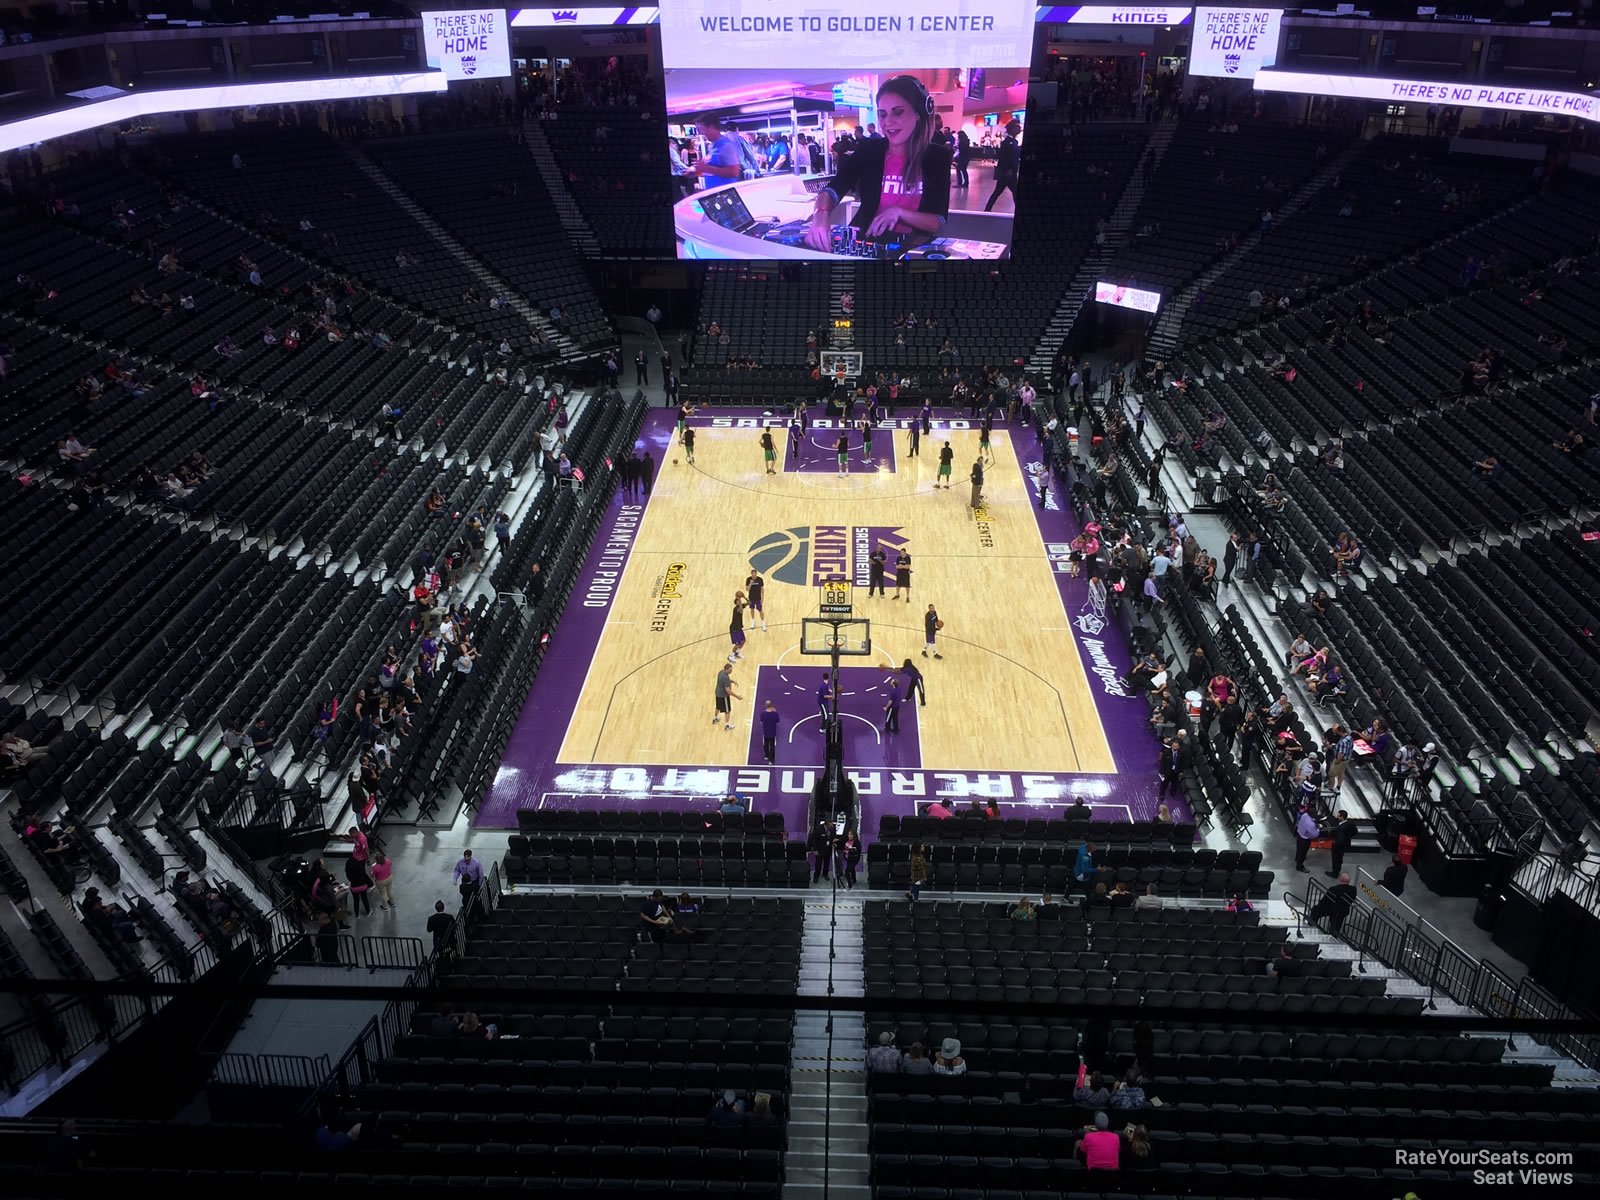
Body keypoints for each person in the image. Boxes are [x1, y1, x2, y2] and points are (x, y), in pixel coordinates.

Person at [805, 76, 953, 251]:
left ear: (918, 114)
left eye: (898, 112)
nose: (887, 122)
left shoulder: (938, 156)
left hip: (913, 248)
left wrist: (899, 213)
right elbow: (834, 188)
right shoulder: (869, 149)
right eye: (882, 114)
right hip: (867, 242)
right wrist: (820, 214)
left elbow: (937, 221)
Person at [984, 119, 1022, 212]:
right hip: (1008, 173)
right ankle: (987, 209)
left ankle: (987, 209)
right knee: (1013, 192)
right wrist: (1008, 170)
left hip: (1009, 173)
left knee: (998, 192)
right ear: (1012, 129)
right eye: (1017, 126)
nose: (1019, 128)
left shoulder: (1013, 141)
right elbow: (1004, 158)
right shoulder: (1008, 142)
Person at [1326, 809, 1357, 878]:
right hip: (1345, 845)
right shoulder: (1350, 823)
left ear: (1342, 817)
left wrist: (1335, 843)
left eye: (1338, 816)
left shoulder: (1341, 828)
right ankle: (1337, 870)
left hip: (1338, 846)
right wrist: (1348, 837)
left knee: (1335, 859)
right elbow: (1355, 831)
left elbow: (1340, 839)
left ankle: (1334, 873)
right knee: (1340, 859)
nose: (1337, 817)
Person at [713, 662, 740, 732]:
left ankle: (715, 718)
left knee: (718, 706)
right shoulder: (725, 677)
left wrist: (732, 681)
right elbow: (728, 691)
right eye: (730, 670)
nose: (731, 671)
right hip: (723, 696)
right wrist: (737, 697)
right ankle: (727, 725)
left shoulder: (721, 672)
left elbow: (724, 681)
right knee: (727, 710)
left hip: (718, 693)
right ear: (726, 669)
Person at [1294, 804, 1320, 873]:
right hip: (1305, 840)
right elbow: (1314, 835)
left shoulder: (1304, 815)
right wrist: (1318, 830)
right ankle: (1299, 866)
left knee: (1299, 849)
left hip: (1299, 835)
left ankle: (1297, 858)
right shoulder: (1311, 824)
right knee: (1303, 853)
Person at [759, 700, 780, 765]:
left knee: (765, 744)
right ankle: (771, 760)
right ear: (771, 705)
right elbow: (777, 720)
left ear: (765, 705)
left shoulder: (763, 714)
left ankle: (766, 756)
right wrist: (775, 712)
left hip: (765, 732)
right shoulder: (775, 714)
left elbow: (761, 722)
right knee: (772, 746)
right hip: (772, 732)